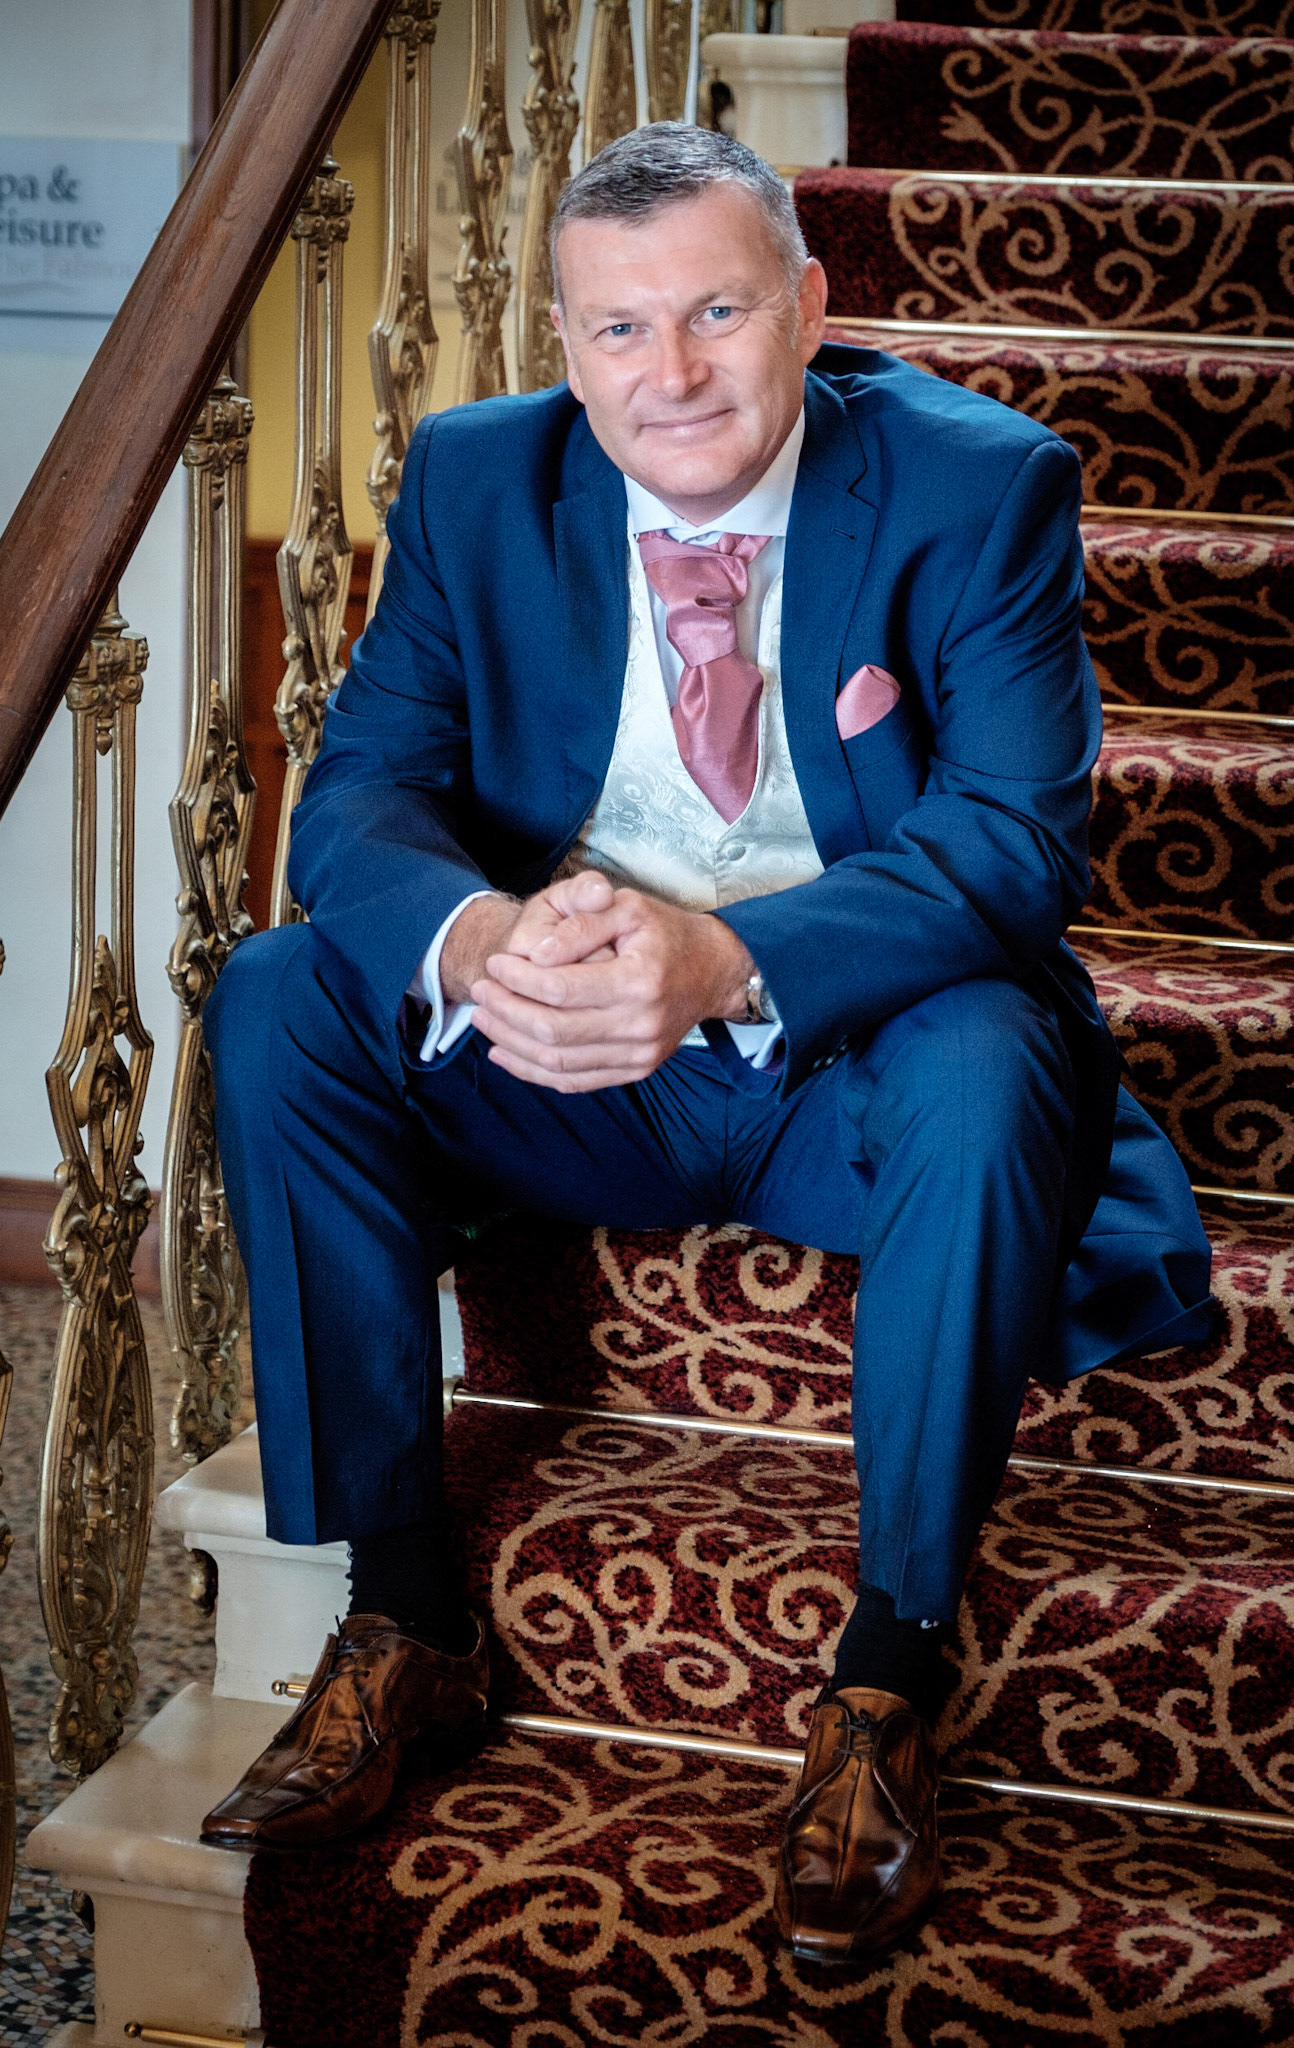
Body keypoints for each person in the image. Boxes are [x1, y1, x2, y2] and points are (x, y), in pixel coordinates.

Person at [197, 122, 1213, 1963]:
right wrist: (484, 940)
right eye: (617, 328)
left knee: (990, 1055)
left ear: (808, 305)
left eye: (718, 312)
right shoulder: (476, 475)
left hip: (847, 1073)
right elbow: (357, 793)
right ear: (565, 342)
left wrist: (727, 958)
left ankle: (885, 1679)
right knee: (281, 992)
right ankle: (404, 1614)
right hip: (566, 1057)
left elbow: (1012, 844)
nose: (666, 374)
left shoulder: (980, 486)